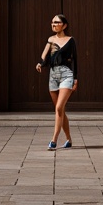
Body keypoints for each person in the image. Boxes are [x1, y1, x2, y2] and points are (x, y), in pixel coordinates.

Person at [35, 13, 77, 149]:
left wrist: (75, 79)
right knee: (60, 111)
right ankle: (69, 140)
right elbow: (45, 56)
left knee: (59, 108)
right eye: (52, 22)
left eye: (57, 22)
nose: (54, 25)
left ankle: (53, 140)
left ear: (64, 25)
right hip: (53, 76)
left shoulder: (71, 40)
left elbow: (75, 60)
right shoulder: (51, 39)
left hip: (67, 75)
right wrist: (41, 64)